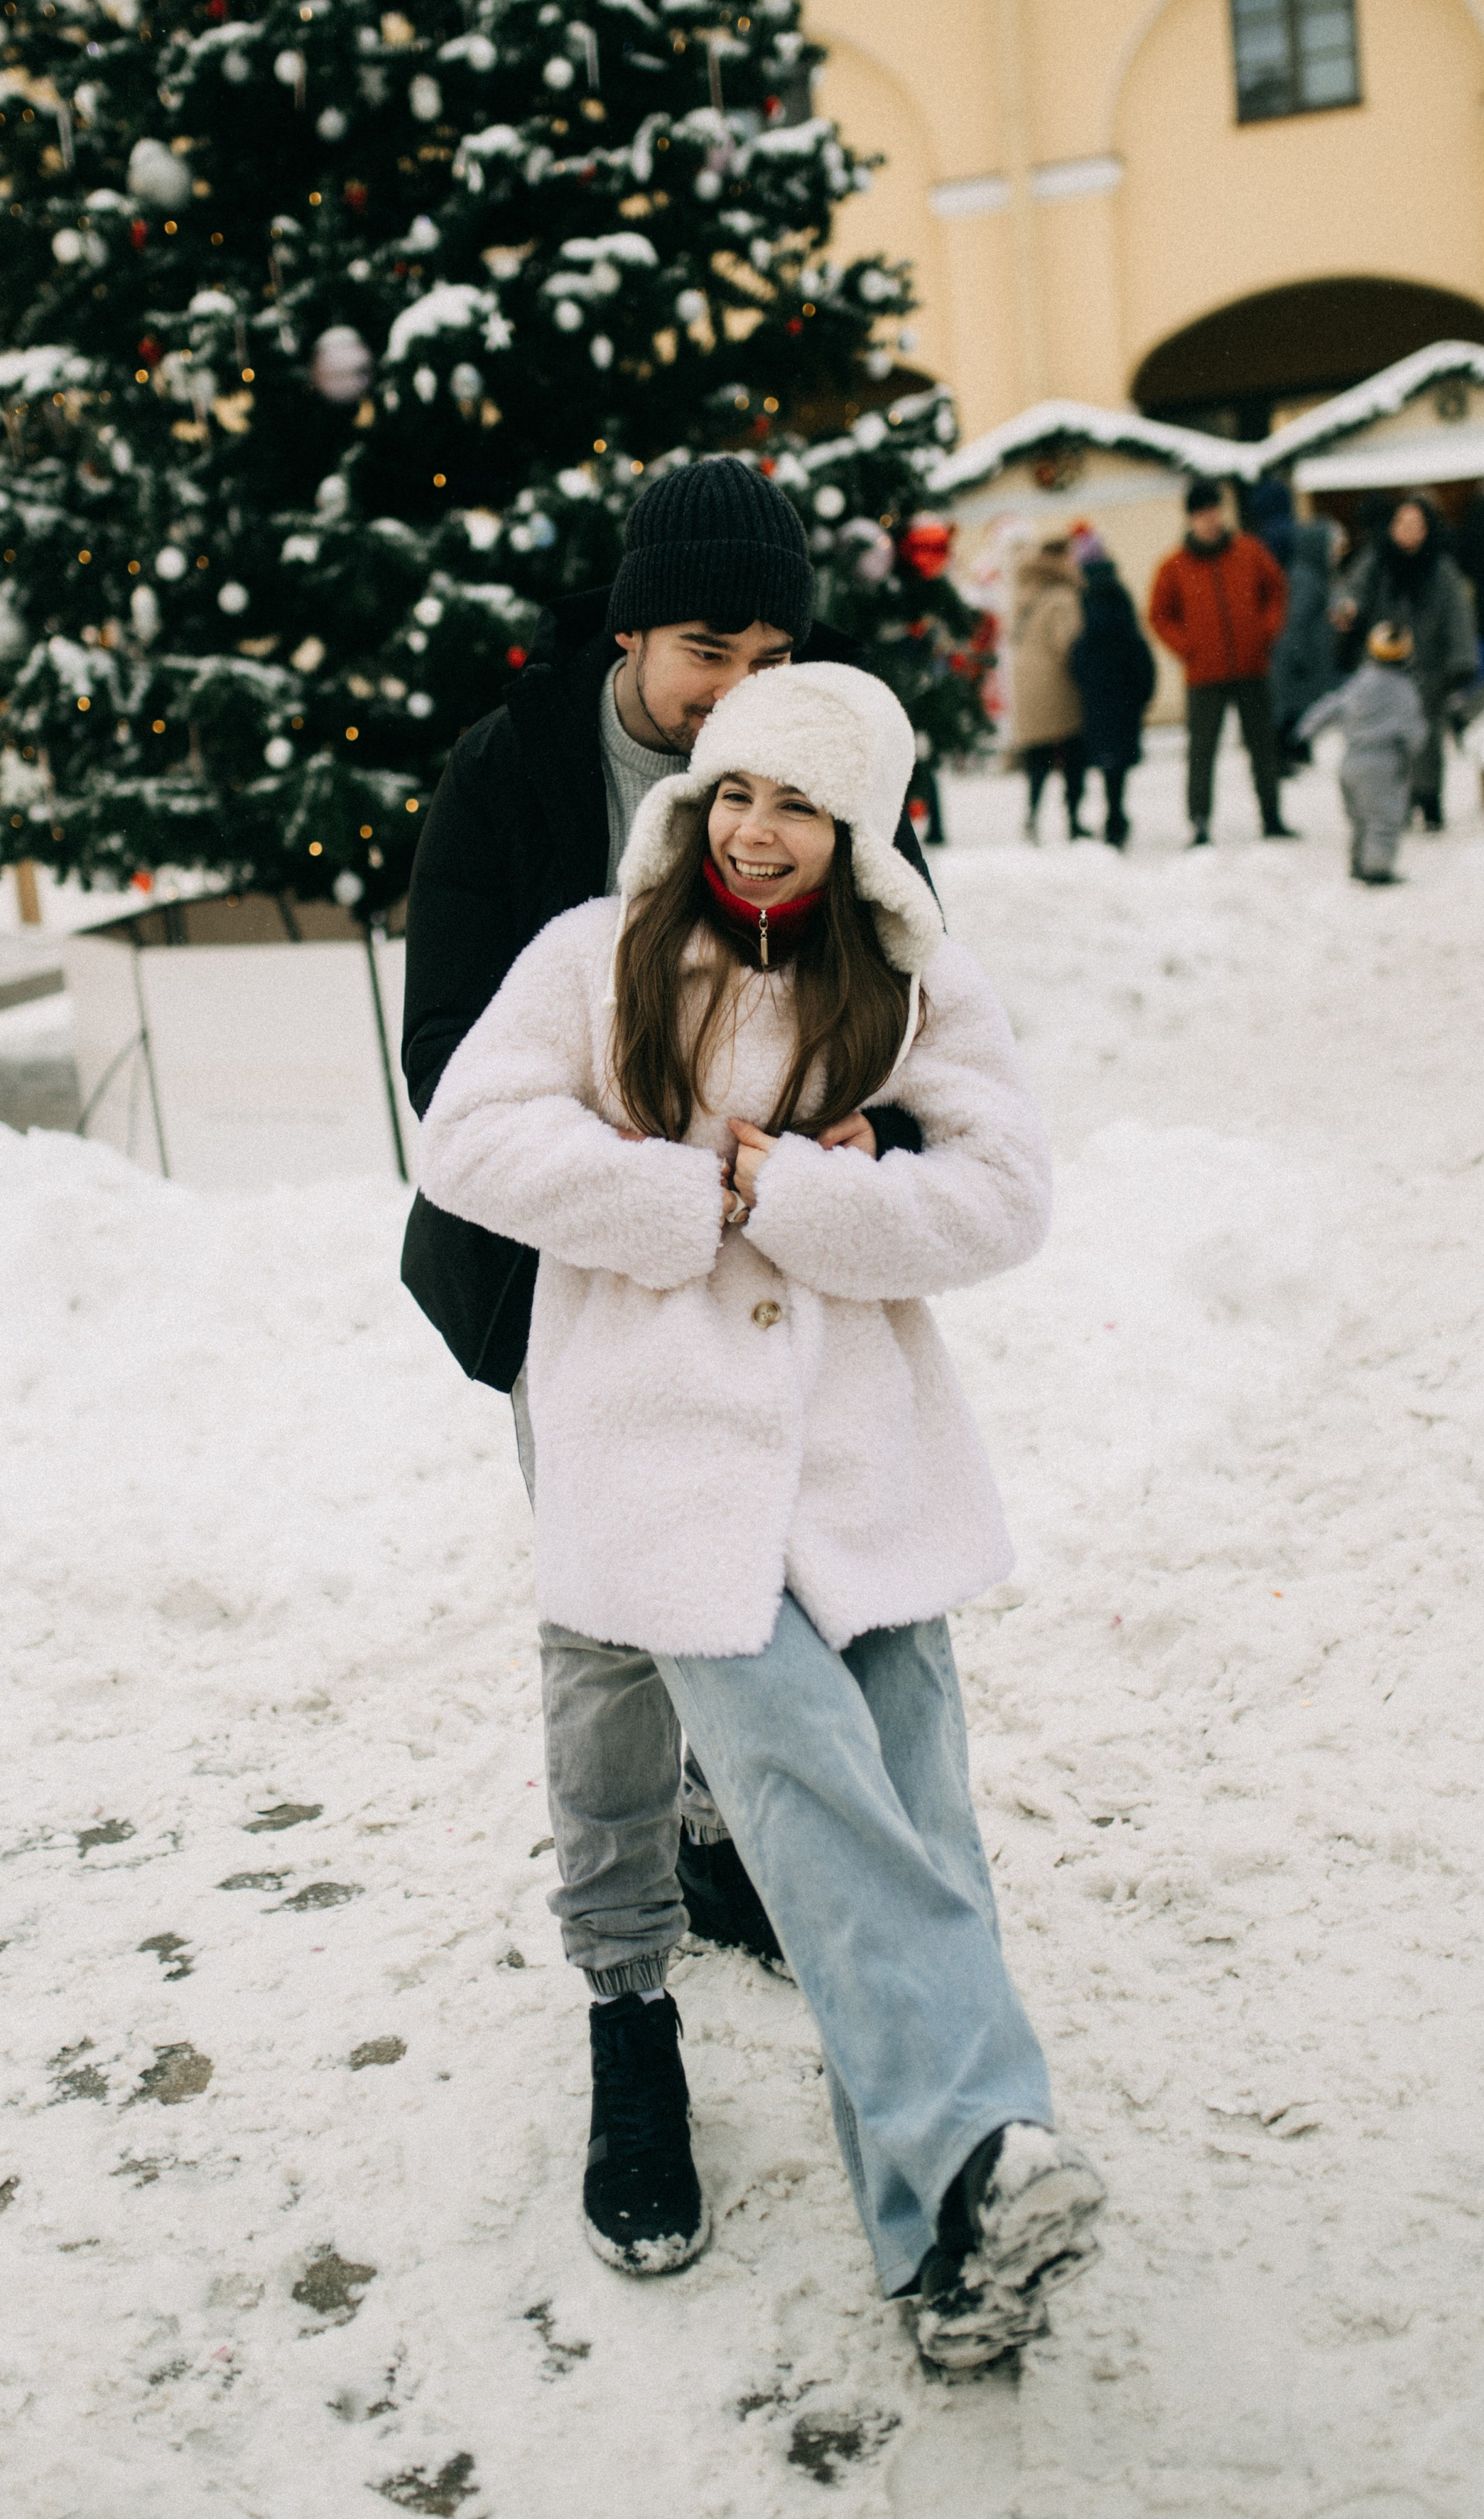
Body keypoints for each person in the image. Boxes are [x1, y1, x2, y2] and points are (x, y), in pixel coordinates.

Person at [418, 656, 1105, 2368]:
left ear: (856, 826)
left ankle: (943, 2260)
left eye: (796, 802)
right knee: (805, 1790)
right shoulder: (595, 955)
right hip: (664, 1473)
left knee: (915, 1816)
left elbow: (1005, 1194)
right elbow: (465, 1137)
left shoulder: (913, 982)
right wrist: (678, 1193)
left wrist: (794, 1191)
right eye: (732, 790)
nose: (753, 829)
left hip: (863, 1465)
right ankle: (984, 2137)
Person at [400, 454, 938, 1995]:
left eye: (772, 658)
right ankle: (621, 1976)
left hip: (780, 1261)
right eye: (708, 652)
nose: (739, 696)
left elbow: (916, 1003)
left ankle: (715, 1838)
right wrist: (634, 1187)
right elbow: (444, 1062)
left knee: (763, 1569)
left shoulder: (827, 756)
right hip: (565, 1267)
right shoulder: (510, 772)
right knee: (609, 1624)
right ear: (631, 632)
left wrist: (878, 1136)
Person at [1148, 478, 1292, 845]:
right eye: (1201, 514)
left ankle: (1272, 816)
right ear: (1190, 519)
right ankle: (1199, 821)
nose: (1209, 519)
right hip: (1204, 674)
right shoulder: (1175, 566)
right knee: (1201, 751)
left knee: (1262, 745)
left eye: (1213, 511)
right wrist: (1187, 647)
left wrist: (1266, 632)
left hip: (1251, 667)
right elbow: (1160, 615)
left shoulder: (1249, 551)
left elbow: (1276, 591)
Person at [1331, 494, 1475, 830]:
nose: (1409, 531)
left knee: (1427, 739)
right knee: (1389, 741)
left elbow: (1457, 615)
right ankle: (1399, 801)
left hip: (1429, 667)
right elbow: (1352, 592)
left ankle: (1429, 798)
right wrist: (1347, 608)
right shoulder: (1375, 563)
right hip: (1384, 668)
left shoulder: (1441, 568)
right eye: (1403, 524)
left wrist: (1461, 660)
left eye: (1417, 525)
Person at [1298, 621, 1426, 885]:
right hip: (1384, 762)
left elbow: (1331, 707)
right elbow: (1414, 728)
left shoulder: (1359, 682)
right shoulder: (1404, 689)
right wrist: (1413, 750)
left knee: (1360, 819)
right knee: (1383, 819)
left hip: (1351, 761)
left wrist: (1304, 732)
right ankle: (1376, 869)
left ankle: (1359, 862)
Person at [1067, 529, 1155, 850]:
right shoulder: (1119, 593)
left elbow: (1079, 650)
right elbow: (1136, 643)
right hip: (1124, 689)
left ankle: (1111, 817)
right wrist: (1143, 690)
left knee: (1106, 759)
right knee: (1119, 761)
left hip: (1098, 692)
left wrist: (1082, 677)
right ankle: (1116, 815)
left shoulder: (1083, 596)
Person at [1009, 539, 1088, 842]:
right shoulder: (1063, 596)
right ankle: (1074, 819)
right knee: (1072, 753)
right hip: (1058, 685)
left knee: (1038, 756)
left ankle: (1032, 816)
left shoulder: (1024, 591)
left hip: (1027, 685)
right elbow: (1066, 644)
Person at [1268, 516, 1345, 769]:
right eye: (1334, 547)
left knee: (1299, 709)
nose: (1338, 553)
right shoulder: (1307, 579)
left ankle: (1295, 754)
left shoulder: (1314, 575)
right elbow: (1294, 622)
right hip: (1300, 662)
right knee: (1292, 711)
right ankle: (1287, 757)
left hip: (1305, 659)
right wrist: (1298, 657)